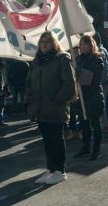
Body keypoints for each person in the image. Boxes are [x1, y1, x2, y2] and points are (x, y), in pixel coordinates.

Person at [27, 32, 76, 185]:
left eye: (47, 42)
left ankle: (60, 171)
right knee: (48, 141)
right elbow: (31, 82)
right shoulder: (37, 62)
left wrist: (57, 101)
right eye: (42, 42)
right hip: (41, 109)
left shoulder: (61, 59)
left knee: (56, 140)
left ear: (54, 43)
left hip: (55, 108)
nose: (44, 45)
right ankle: (51, 169)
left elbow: (69, 85)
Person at [73, 35, 105, 161]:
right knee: (83, 123)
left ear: (91, 45)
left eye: (84, 44)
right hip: (82, 97)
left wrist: (79, 73)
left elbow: (94, 79)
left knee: (95, 124)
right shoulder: (79, 59)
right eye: (80, 44)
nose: (82, 46)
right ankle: (86, 147)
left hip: (93, 96)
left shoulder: (97, 59)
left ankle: (96, 149)